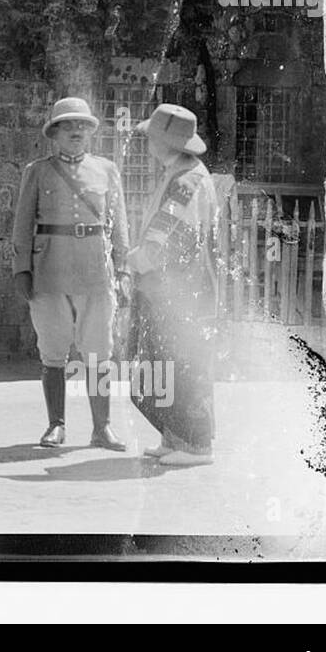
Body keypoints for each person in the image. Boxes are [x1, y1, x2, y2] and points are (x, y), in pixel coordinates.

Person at [11, 97, 131, 450]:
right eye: (68, 125)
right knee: (52, 348)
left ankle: (102, 427)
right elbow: (21, 224)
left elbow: (119, 224)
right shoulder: (37, 171)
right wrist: (22, 268)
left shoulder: (107, 170)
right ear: (55, 133)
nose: (76, 131)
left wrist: (123, 269)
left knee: (99, 350)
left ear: (91, 132)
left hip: (95, 270)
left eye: (83, 125)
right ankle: (56, 425)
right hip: (50, 269)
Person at [126, 104, 220, 467]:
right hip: (170, 287)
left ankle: (195, 445)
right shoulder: (180, 172)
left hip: (179, 289)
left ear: (164, 141)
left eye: (152, 136)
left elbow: (172, 235)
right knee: (163, 361)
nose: (147, 142)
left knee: (182, 363)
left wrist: (138, 258)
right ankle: (174, 436)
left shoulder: (186, 181)